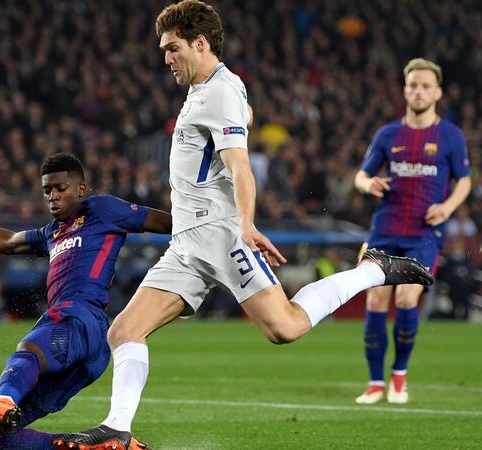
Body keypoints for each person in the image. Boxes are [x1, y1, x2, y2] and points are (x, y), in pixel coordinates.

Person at [53, 2, 433, 449]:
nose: (165, 58)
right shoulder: (217, 88)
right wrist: (243, 115)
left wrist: (247, 225)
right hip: (186, 243)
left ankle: (375, 269)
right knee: (123, 331)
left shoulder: (217, 92)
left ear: (200, 43)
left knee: (285, 328)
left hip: (220, 233)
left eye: (172, 48)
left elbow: (241, 167)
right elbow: (241, 118)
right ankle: (117, 429)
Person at [0, 153, 171, 450]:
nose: (52, 196)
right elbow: (8, 242)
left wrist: (210, 225)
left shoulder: (102, 208)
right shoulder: (51, 232)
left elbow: (162, 221)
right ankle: (92, 446)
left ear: (80, 189)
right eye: (46, 191)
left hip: (80, 319)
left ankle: (4, 399)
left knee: (28, 350)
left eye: (59, 188)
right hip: (85, 355)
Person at [353, 58, 471, 404]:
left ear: (437, 92)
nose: (418, 91)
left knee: (406, 297)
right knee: (375, 297)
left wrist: (447, 207)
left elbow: (464, 180)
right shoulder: (388, 134)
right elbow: (361, 175)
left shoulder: (451, 136)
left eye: (424, 86)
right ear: (405, 90)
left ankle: (399, 376)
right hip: (384, 228)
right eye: (412, 86)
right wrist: (366, 184)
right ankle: (375, 383)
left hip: (424, 233)